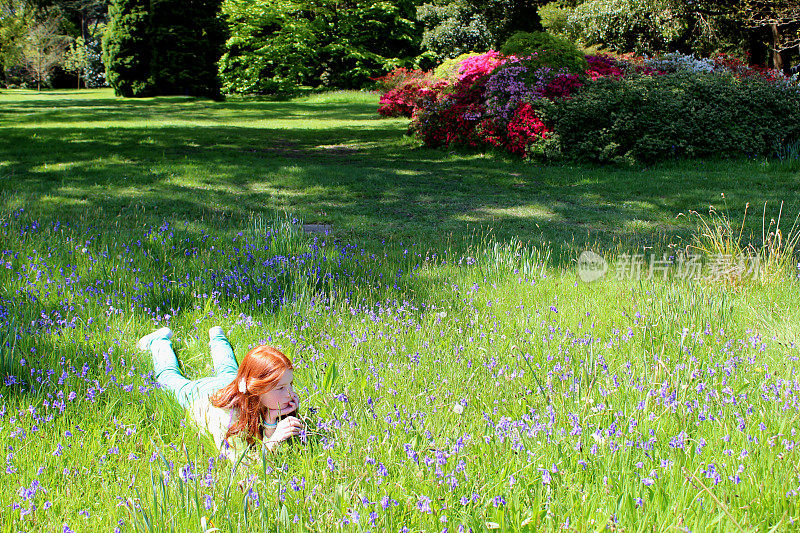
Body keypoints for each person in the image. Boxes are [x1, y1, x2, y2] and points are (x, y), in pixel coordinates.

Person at [137, 325, 303, 463]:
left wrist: (270, 422)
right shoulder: (226, 417)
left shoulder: (259, 395)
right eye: (281, 388)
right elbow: (241, 463)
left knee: (228, 370)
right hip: (200, 396)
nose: (290, 393)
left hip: (231, 386)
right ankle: (158, 340)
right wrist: (273, 441)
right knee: (169, 377)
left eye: (291, 384)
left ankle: (217, 336)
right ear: (255, 388)